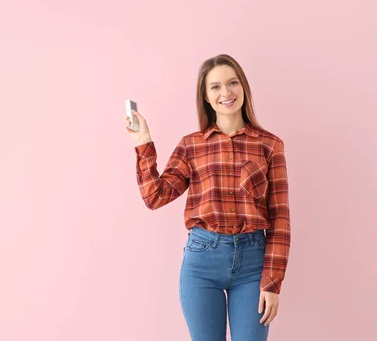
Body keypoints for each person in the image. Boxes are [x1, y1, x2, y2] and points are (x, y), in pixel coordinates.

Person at [125, 54, 291, 341]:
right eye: (215, 87)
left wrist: (273, 282)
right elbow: (155, 196)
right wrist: (143, 144)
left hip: (253, 264)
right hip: (202, 262)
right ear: (205, 96)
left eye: (232, 83)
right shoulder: (191, 145)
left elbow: (280, 217)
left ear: (243, 88)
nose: (226, 93)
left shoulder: (270, 145)